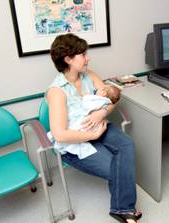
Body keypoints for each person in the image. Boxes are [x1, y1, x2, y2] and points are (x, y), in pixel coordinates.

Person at [47, 33, 142, 223]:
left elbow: (112, 98)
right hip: (76, 141)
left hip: (100, 126)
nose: (88, 58)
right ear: (68, 59)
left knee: (127, 145)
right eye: (83, 54)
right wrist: (91, 134)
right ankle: (125, 210)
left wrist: (101, 113)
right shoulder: (57, 91)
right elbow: (59, 134)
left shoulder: (89, 75)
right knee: (114, 167)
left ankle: (121, 209)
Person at [47, 85, 121, 160]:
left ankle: (78, 137)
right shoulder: (56, 90)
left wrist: (84, 96)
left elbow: (87, 104)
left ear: (104, 93)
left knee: (78, 125)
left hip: (89, 125)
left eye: (100, 89)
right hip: (93, 128)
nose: (96, 90)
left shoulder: (98, 99)